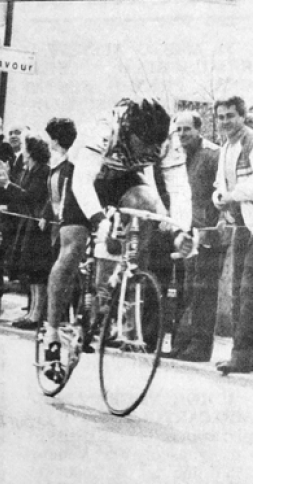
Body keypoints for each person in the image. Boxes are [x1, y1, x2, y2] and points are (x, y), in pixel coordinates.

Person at [41, 98, 196, 383]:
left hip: (125, 177)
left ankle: (123, 277)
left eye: (154, 146)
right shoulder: (104, 127)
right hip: (85, 177)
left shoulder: (169, 139)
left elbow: (179, 190)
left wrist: (180, 232)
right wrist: (99, 220)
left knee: (147, 203)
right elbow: (82, 183)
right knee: (73, 246)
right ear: (128, 130)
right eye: (144, 145)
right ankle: (51, 332)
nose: (150, 151)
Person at [165, 111, 224, 363]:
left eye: (187, 129)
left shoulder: (213, 155)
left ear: (199, 129)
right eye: (178, 129)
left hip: (207, 234)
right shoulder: (178, 156)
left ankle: (200, 347)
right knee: (185, 290)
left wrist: (213, 226)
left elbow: (222, 191)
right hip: (185, 233)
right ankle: (181, 344)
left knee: (203, 292)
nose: (182, 134)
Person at [212, 96, 254, 375]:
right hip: (241, 225)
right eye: (221, 116)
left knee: (249, 290)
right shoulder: (226, 146)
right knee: (240, 290)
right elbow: (220, 182)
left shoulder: (252, 141)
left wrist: (229, 195)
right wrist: (219, 197)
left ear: (242, 116)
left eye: (230, 115)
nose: (225, 121)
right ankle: (242, 355)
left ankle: (243, 356)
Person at [0, 133, 52, 330]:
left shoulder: (43, 171)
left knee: (38, 272)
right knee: (32, 271)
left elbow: (30, 196)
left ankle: (37, 314)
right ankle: (32, 313)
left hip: (37, 225)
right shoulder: (30, 170)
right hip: (29, 223)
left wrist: (7, 184)